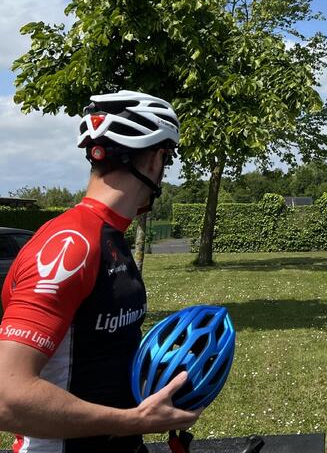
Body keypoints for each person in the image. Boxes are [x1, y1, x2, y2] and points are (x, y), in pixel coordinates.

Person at [0, 90, 201, 452]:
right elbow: (8, 397)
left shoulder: (109, 236)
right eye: (167, 160)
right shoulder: (71, 244)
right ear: (155, 161)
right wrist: (133, 421)